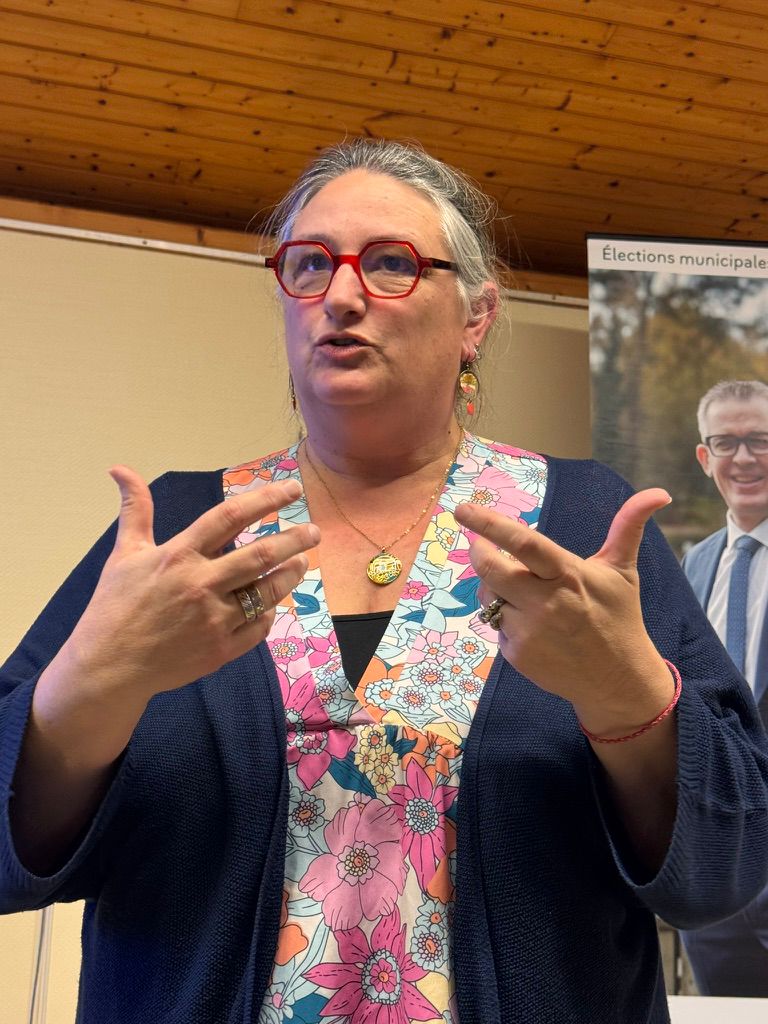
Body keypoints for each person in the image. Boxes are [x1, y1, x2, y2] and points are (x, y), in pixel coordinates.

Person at [1, 140, 767, 1024]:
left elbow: (729, 864)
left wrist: (626, 697)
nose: (341, 294)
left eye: (392, 263)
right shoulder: (177, 534)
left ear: (476, 316)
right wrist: (93, 686)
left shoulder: (584, 525)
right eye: (309, 264)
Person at [678, 379, 768, 998]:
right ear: (705, 458)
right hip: (717, 871)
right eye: (726, 443)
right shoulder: (695, 563)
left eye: (760, 439)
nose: (745, 458)